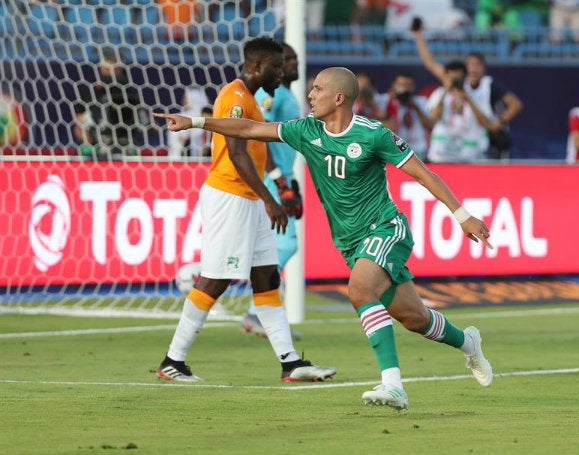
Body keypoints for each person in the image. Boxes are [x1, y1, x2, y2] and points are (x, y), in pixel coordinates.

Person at [154, 66, 494, 410]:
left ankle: (393, 386)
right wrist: (197, 122)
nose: (310, 95)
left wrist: (462, 215)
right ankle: (468, 343)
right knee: (414, 318)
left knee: (360, 291)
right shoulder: (305, 130)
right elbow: (251, 128)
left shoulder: (373, 134)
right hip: (349, 241)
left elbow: (423, 174)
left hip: (386, 228)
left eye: (317, 89)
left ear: (339, 98)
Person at [154, 37, 336, 383]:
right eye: (276, 67)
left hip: (249, 199)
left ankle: (290, 364)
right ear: (255, 67)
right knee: (216, 279)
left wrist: (277, 183)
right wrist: (270, 200)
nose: (281, 73)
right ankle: (172, 361)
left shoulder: (251, 99)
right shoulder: (235, 97)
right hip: (230, 197)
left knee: (266, 277)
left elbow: (257, 145)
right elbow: (237, 154)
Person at [240, 42, 304, 338]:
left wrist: (290, 181)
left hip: (283, 176)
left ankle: (260, 312)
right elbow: (260, 137)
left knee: (272, 243)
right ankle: (258, 310)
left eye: (293, 59)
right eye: (286, 60)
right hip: (272, 179)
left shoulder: (288, 94)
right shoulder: (269, 94)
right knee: (285, 243)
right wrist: (279, 180)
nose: (292, 64)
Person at [412, 21, 523, 160]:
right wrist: (418, 37)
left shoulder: (486, 85)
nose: (473, 69)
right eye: (470, 65)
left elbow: (514, 104)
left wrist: (499, 122)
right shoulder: (452, 82)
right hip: (444, 151)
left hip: (473, 150)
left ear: (484, 68)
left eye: (477, 65)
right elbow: (431, 64)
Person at [73, 46, 147, 160]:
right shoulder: (89, 92)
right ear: (101, 69)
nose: (110, 74)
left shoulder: (129, 92)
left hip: (125, 141)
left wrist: (148, 125)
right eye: (107, 70)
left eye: (115, 70)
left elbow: (144, 120)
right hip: (96, 141)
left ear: (121, 70)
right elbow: (78, 122)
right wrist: (88, 140)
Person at [382, 71, 434, 161]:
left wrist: (416, 107)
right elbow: (386, 129)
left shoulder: (422, 102)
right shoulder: (385, 101)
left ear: (413, 86)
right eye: (401, 85)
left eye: (408, 85)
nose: (405, 88)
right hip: (395, 154)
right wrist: (392, 103)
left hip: (419, 154)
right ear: (394, 85)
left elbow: (430, 126)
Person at [167, 87, 212, 160]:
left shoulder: (203, 119)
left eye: (186, 98)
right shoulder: (178, 117)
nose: (183, 101)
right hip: (178, 157)